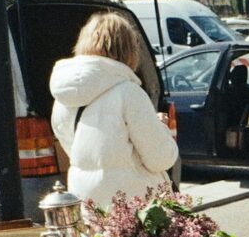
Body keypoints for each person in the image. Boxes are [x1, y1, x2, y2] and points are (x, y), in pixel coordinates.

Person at [50, 11, 178, 207]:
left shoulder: (63, 98)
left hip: (87, 200)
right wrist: (161, 127)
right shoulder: (129, 93)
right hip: (132, 204)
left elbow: (81, 154)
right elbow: (160, 159)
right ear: (128, 49)